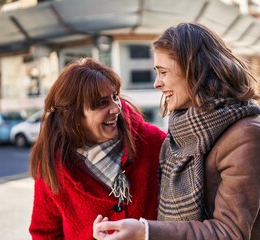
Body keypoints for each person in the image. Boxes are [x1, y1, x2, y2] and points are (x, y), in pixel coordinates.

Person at [93, 22, 260, 240]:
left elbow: (230, 233)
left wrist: (146, 232)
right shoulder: (183, 128)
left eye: (163, 72)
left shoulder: (246, 136)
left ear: (195, 72)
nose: (157, 84)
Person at [29, 57, 166, 239]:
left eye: (115, 97)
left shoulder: (152, 142)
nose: (116, 108)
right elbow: (44, 233)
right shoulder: (51, 167)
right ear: (74, 116)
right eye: (102, 103)